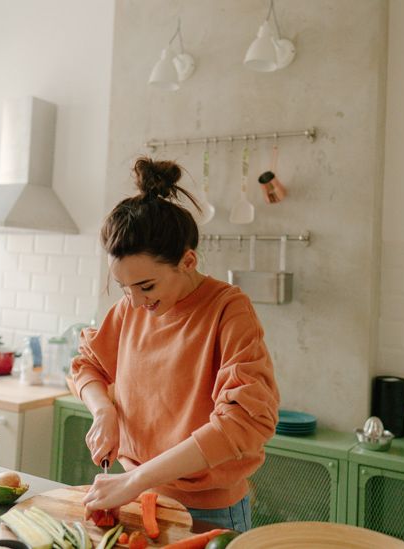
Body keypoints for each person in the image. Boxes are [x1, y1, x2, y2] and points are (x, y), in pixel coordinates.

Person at [71, 156, 280, 532]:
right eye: (124, 287)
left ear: (187, 260)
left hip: (207, 512)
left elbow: (244, 422)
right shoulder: (131, 308)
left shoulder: (228, 310)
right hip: (132, 496)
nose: (134, 302)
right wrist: (104, 411)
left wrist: (135, 480)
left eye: (146, 286)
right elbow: (88, 366)